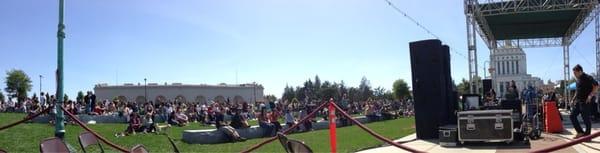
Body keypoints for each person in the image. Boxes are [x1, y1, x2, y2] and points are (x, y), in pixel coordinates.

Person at [570, 64, 599, 139]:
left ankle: (588, 136)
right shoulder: (578, 80)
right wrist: (573, 99)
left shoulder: (588, 77)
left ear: (580, 71)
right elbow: (577, 91)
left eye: (575, 73)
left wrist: (590, 96)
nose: (574, 75)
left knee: (585, 118)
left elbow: (596, 86)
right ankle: (580, 132)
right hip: (578, 101)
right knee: (572, 116)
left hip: (586, 101)